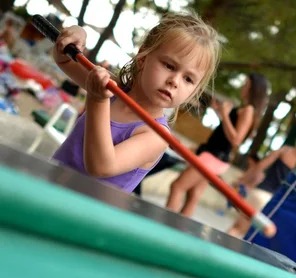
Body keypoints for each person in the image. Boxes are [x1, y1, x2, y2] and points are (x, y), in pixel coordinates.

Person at [51, 12, 221, 193]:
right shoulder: (112, 88)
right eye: (169, 66)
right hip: (49, 188)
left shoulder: (156, 135)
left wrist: (97, 99)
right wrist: (77, 34)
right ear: (142, 58)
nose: (175, 81)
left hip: (81, 217)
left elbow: (100, 166)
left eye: (188, 79)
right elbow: (64, 60)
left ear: (194, 91)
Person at [166, 73, 271, 217]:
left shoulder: (248, 110)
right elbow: (228, 132)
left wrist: (225, 115)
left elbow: (236, 140)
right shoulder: (245, 108)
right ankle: (178, 230)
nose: (243, 87)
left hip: (214, 157)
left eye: (246, 84)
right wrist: (220, 113)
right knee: (194, 193)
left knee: (177, 186)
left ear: (253, 88)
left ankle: (164, 227)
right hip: (215, 156)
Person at [227, 127, 296, 238]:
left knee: (237, 228)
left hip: (260, 193)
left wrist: (243, 181)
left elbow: (260, 166)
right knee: (249, 237)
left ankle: (216, 250)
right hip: (274, 205)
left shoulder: (285, 151)